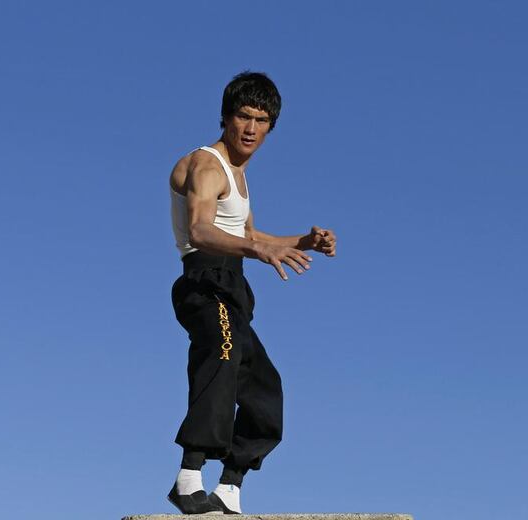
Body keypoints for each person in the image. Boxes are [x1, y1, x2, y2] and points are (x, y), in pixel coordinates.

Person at [167, 71, 337, 515]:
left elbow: (244, 230)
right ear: (225, 117)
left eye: (261, 121)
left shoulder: (239, 175)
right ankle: (188, 478)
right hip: (204, 282)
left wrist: (302, 241)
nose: (251, 129)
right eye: (243, 116)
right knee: (221, 356)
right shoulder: (206, 165)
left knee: (264, 385)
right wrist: (257, 249)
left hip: (233, 285)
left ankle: (229, 486)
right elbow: (202, 230)